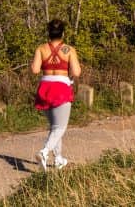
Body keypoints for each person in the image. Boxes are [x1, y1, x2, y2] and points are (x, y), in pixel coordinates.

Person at [31, 18, 81, 170]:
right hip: (61, 88)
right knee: (60, 127)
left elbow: (34, 70)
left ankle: (58, 159)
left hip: (45, 87)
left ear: (49, 33)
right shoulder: (69, 50)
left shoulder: (41, 49)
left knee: (54, 126)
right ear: (63, 33)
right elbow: (76, 72)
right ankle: (44, 152)